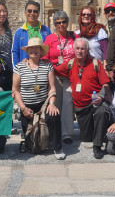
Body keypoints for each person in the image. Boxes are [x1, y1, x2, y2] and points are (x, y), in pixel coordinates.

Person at [55, 38, 112, 159]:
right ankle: (99, 134)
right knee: (86, 138)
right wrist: (39, 61)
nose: (79, 51)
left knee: (101, 111)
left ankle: (97, 146)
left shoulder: (96, 63)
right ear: (74, 50)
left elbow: (106, 84)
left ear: (87, 50)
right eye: (77, 48)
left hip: (95, 103)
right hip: (81, 107)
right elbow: (54, 71)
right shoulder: (70, 63)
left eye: (82, 48)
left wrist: (101, 98)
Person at [12, 38, 64, 160]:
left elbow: (51, 87)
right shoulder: (19, 67)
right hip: (27, 106)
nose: (33, 50)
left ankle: (57, 146)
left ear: (41, 51)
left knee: (54, 115)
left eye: (36, 48)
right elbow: (15, 90)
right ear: (27, 50)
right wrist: (23, 108)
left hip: (43, 104)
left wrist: (51, 103)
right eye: (31, 48)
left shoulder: (47, 65)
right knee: (32, 145)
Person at [44, 10, 77, 144]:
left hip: (70, 76)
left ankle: (67, 134)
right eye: (58, 23)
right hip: (55, 76)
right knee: (56, 104)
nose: (61, 25)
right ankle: (55, 132)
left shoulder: (74, 36)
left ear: (68, 23)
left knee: (68, 104)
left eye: (64, 22)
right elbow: (45, 57)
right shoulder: (50, 38)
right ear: (55, 25)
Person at [12, 1, 51, 66]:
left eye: (35, 11)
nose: (32, 13)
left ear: (38, 13)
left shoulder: (46, 31)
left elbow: (50, 49)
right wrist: (16, 70)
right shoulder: (19, 32)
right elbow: (15, 52)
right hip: (25, 69)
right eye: (29, 11)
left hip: (43, 68)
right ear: (25, 12)